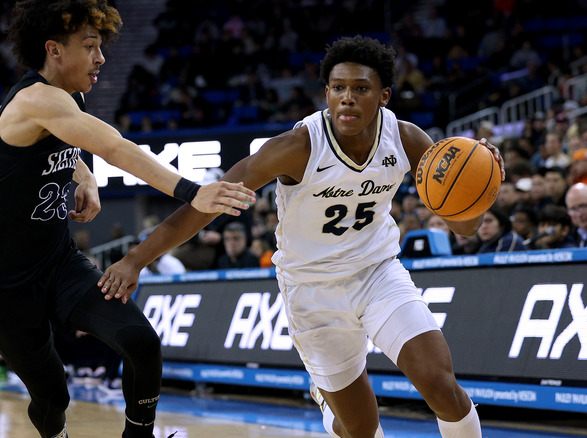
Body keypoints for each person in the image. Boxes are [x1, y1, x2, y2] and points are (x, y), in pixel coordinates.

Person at [100, 36, 503, 438]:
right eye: (338, 88)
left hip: (377, 273)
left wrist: (482, 186)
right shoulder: (296, 148)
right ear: (326, 93)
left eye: (361, 89)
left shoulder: (408, 139)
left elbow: (464, 226)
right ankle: (330, 405)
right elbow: (206, 204)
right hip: (311, 290)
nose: (347, 98)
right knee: (361, 429)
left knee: (440, 386)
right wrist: (136, 259)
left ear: (383, 96)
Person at [0, 2, 255, 438]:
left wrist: (85, 176)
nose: (101, 58)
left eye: (101, 46)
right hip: (2, 279)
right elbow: (114, 147)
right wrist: (194, 193)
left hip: (56, 261)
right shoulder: (36, 98)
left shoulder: (68, 99)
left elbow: (70, 140)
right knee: (52, 395)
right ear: (54, 50)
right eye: (90, 46)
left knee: (140, 342)